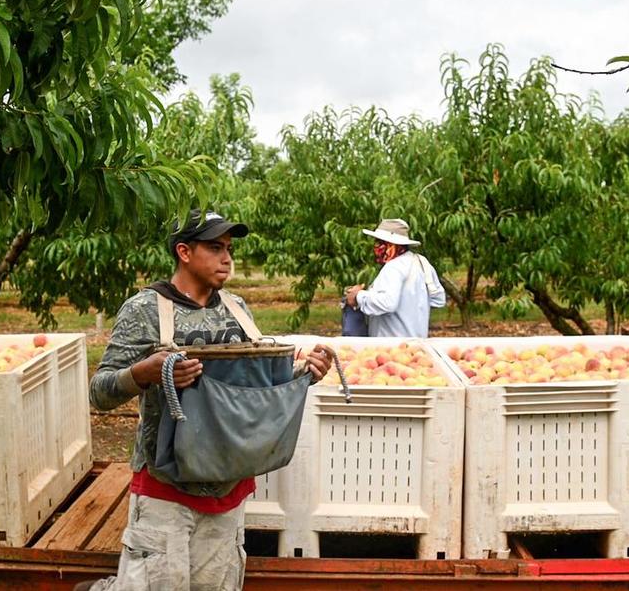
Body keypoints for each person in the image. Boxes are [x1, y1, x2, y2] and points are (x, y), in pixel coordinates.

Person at [83, 210, 333, 591]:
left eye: (229, 248)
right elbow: (99, 392)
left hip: (227, 489)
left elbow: (250, 392)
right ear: (184, 251)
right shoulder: (145, 311)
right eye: (215, 247)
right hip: (167, 485)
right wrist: (145, 373)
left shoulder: (237, 311)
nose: (227, 257)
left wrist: (303, 375)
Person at [344, 218, 446, 338]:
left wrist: (358, 296)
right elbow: (438, 299)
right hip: (418, 341)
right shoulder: (421, 262)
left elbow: (387, 303)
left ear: (391, 245)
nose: (376, 247)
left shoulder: (393, 267)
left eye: (379, 242)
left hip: (392, 344)